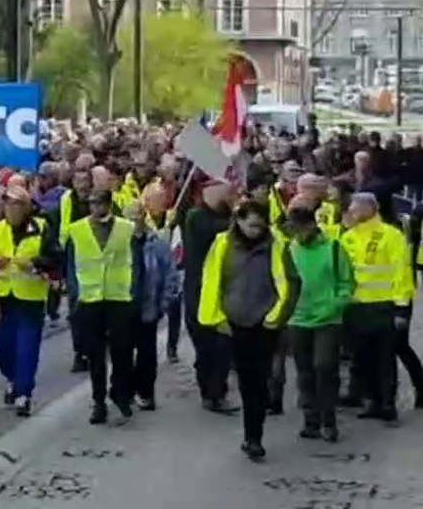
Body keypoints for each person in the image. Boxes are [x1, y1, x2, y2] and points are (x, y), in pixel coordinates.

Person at [198, 200, 300, 462]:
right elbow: (211, 280)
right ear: (239, 221)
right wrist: (215, 318)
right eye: (251, 225)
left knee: (260, 378)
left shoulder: (276, 244)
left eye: (260, 225)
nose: (256, 230)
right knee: (246, 379)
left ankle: (255, 435)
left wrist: (275, 318)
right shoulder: (222, 244)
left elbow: (289, 284)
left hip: (265, 322)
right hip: (233, 322)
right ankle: (250, 434)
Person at [64, 189, 138, 425]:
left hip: (119, 296)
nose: (96, 208)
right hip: (90, 298)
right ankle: (98, 401)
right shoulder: (77, 230)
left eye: (100, 204)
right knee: (95, 355)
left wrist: (134, 290)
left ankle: (120, 393)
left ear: (108, 204)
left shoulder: (126, 228)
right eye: (92, 204)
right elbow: (70, 265)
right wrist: (74, 294)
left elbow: (135, 260)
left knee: (122, 352)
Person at [339, 192, 413, 423]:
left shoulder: (390, 235)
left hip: (383, 305)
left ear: (369, 208)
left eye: (354, 208)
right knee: (363, 356)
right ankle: (371, 399)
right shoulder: (348, 237)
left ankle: (387, 403)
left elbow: (401, 272)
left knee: (384, 357)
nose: (351, 212)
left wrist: (401, 307)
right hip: (356, 306)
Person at [285, 204, 353, 443]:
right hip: (298, 318)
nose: (298, 234)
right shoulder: (289, 250)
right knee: (305, 371)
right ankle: (311, 419)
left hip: (328, 319)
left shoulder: (333, 248)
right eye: (293, 230)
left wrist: (335, 305)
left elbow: (347, 283)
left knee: (324, 367)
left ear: (312, 226)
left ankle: (329, 420)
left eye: (301, 229)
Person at [0, 187, 59, 417]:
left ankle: (23, 392)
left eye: (16, 205)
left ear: (26, 208)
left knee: (27, 347)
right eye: (8, 205)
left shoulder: (41, 227)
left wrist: (35, 263)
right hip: (3, 296)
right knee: (2, 345)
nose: (11, 210)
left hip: (30, 297)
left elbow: (55, 256)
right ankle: (12, 378)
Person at [182, 179, 237, 414]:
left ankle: (216, 392)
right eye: (227, 194)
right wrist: (236, 216)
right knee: (207, 346)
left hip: (222, 291)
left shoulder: (220, 218)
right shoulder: (197, 218)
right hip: (200, 292)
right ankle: (211, 393)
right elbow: (221, 231)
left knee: (222, 347)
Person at [128, 188, 179, 411]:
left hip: (148, 306)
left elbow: (170, 275)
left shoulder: (157, 243)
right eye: (129, 218)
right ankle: (126, 389)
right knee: (123, 353)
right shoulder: (119, 245)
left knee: (147, 354)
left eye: (136, 217)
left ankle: (145, 392)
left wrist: (164, 304)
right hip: (123, 306)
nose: (133, 222)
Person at [55, 168, 94, 373]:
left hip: (94, 251)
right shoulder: (67, 199)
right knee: (76, 300)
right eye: (78, 181)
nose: (82, 185)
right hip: (73, 249)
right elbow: (62, 226)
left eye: (85, 180)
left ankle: (94, 345)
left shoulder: (98, 199)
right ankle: (80, 351)